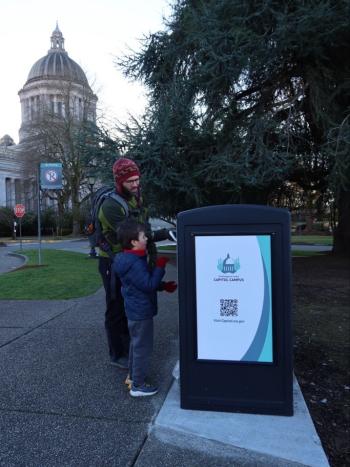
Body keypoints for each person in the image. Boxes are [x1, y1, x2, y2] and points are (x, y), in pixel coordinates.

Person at [98, 157, 171, 368]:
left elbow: (142, 227)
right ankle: (118, 354)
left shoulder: (135, 198)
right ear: (120, 182)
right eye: (130, 181)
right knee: (116, 307)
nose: (136, 184)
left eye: (137, 179)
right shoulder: (111, 205)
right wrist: (161, 234)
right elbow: (131, 235)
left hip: (131, 259)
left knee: (129, 303)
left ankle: (130, 346)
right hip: (112, 262)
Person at [113, 219, 177, 396]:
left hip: (135, 310)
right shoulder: (134, 262)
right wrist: (160, 266)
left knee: (136, 344)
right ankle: (138, 386)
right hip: (140, 312)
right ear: (134, 242)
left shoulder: (130, 259)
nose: (147, 239)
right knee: (142, 347)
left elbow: (140, 284)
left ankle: (133, 377)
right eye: (143, 236)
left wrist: (163, 286)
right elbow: (148, 284)